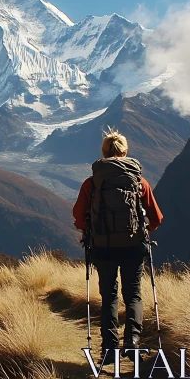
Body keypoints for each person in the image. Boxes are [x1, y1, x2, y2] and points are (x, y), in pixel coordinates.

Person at [72, 128, 163, 363]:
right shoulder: (139, 182)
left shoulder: (92, 183)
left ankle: (109, 349)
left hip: (103, 247)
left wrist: (89, 230)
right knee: (133, 295)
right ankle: (133, 342)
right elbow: (157, 218)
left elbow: (78, 216)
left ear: (104, 152)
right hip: (134, 246)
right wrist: (144, 231)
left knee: (109, 297)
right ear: (125, 152)